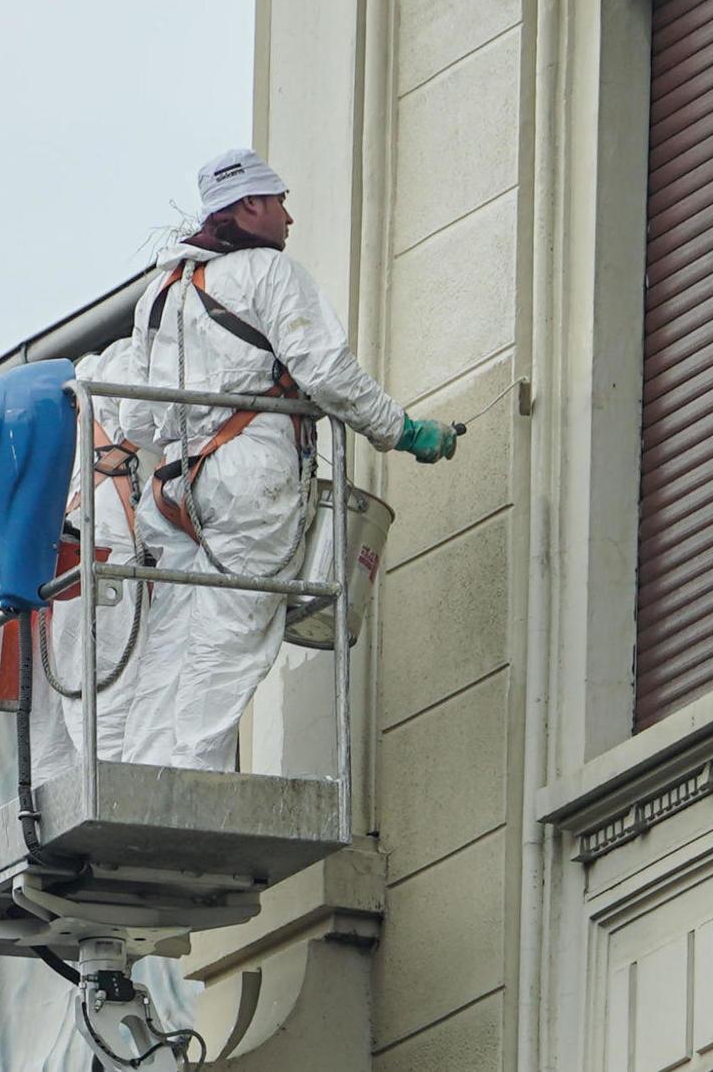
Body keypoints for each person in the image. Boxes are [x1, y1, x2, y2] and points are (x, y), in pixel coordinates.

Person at [116, 148, 458, 772]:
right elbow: (327, 373)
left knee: (171, 643)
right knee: (230, 642)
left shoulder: (160, 294)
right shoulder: (269, 275)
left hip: (173, 490)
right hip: (250, 482)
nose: (290, 218)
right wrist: (404, 432)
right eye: (281, 202)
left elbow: (137, 421)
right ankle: (192, 790)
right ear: (250, 205)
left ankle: (137, 779)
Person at [36, 339, 148, 771]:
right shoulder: (128, 378)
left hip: (76, 553)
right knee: (108, 696)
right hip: (109, 552)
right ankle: (113, 790)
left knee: (73, 697)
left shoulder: (69, 411)